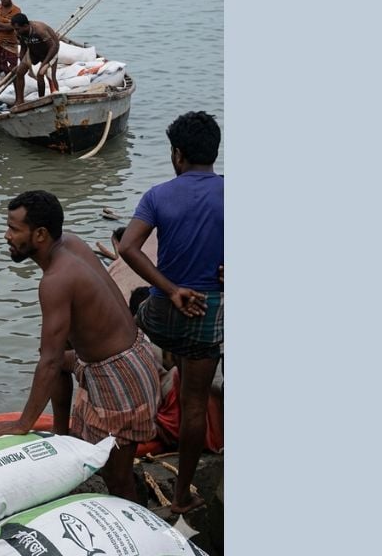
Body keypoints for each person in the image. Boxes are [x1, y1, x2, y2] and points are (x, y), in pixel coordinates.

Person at [0, 191, 160, 504]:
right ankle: (62, 434)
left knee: (117, 478)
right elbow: (56, 353)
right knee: (60, 360)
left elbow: (49, 362)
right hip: (129, 356)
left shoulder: (55, 281)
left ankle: (136, 523)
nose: (7, 236)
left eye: (13, 229)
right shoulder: (71, 243)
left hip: (119, 378)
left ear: (40, 234)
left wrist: (24, 424)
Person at [119, 110, 224, 515]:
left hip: (164, 311)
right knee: (194, 404)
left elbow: (128, 248)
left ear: (178, 154)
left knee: (135, 313)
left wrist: (171, 289)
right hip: (207, 313)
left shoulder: (158, 195)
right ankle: (181, 496)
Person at [9, 13, 61, 108]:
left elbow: (53, 46)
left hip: (50, 52)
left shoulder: (39, 30)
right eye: (15, 29)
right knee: (19, 72)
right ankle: (20, 100)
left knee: (42, 75)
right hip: (34, 51)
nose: (16, 31)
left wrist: (44, 64)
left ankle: (42, 99)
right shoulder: (19, 33)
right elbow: (23, 47)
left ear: (25, 26)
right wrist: (21, 62)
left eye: (17, 29)